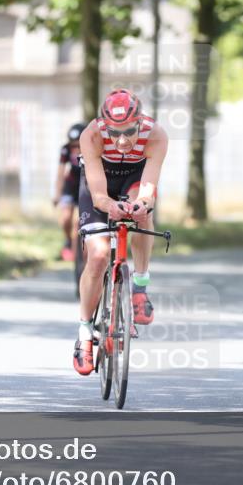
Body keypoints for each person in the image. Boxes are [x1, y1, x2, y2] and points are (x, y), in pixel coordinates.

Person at [73, 89, 169, 375]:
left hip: (134, 178)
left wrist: (142, 203)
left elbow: (149, 187)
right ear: (104, 127)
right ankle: (84, 334)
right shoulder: (91, 135)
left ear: (141, 123)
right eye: (114, 133)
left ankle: (139, 286)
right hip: (100, 181)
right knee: (99, 255)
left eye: (129, 131)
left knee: (142, 214)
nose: (123, 140)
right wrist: (108, 206)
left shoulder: (157, 136)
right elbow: (99, 194)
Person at [54, 123, 85, 261]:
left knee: (78, 222)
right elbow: (60, 173)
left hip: (85, 184)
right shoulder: (65, 150)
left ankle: (77, 252)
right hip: (70, 184)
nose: (75, 148)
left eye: (78, 145)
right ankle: (68, 239)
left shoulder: (91, 147)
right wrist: (57, 194)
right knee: (66, 217)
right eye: (73, 145)